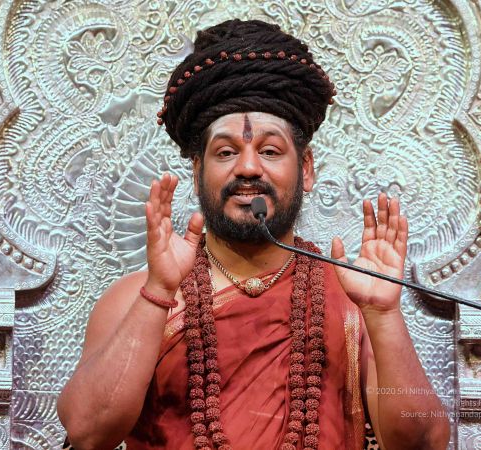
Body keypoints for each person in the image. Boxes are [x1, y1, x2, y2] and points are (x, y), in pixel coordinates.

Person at [57, 19, 450, 450]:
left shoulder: (354, 302)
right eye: (226, 152)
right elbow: (87, 433)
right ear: (197, 172)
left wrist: (384, 315)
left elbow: (424, 443)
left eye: (270, 151)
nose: (247, 168)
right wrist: (159, 292)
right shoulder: (139, 297)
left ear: (306, 169)